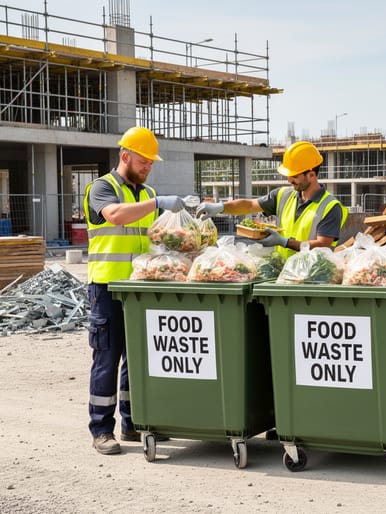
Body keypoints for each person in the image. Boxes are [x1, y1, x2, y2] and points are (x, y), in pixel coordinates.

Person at [84, 126, 185, 455]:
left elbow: (160, 237)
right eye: (144, 161)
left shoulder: (145, 193)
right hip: (108, 286)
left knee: (137, 360)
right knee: (107, 359)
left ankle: (132, 422)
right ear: (125, 156)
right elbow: (113, 216)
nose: (148, 167)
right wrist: (158, 202)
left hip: (140, 289)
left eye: (151, 164)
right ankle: (101, 429)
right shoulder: (103, 187)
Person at [197, 141, 347, 257]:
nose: (289, 180)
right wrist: (221, 207)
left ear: (312, 175)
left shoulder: (330, 207)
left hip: (313, 278)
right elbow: (249, 206)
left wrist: (284, 242)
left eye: (294, 176)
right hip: (283, 273)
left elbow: (323, 245)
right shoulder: (283, 195)